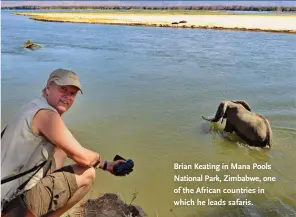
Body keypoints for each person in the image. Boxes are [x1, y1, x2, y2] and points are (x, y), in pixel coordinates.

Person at [1, 69, 127, 217]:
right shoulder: (47, 116)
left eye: (72, 93)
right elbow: (84, 158)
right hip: (8, 199)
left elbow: (71, 148)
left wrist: (107, 165)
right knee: (88, 174)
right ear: (48, 88)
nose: (67, 97)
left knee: (60, 151)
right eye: (63, 90)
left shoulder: (33, 106)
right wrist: (100, 161)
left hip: (8, 188)